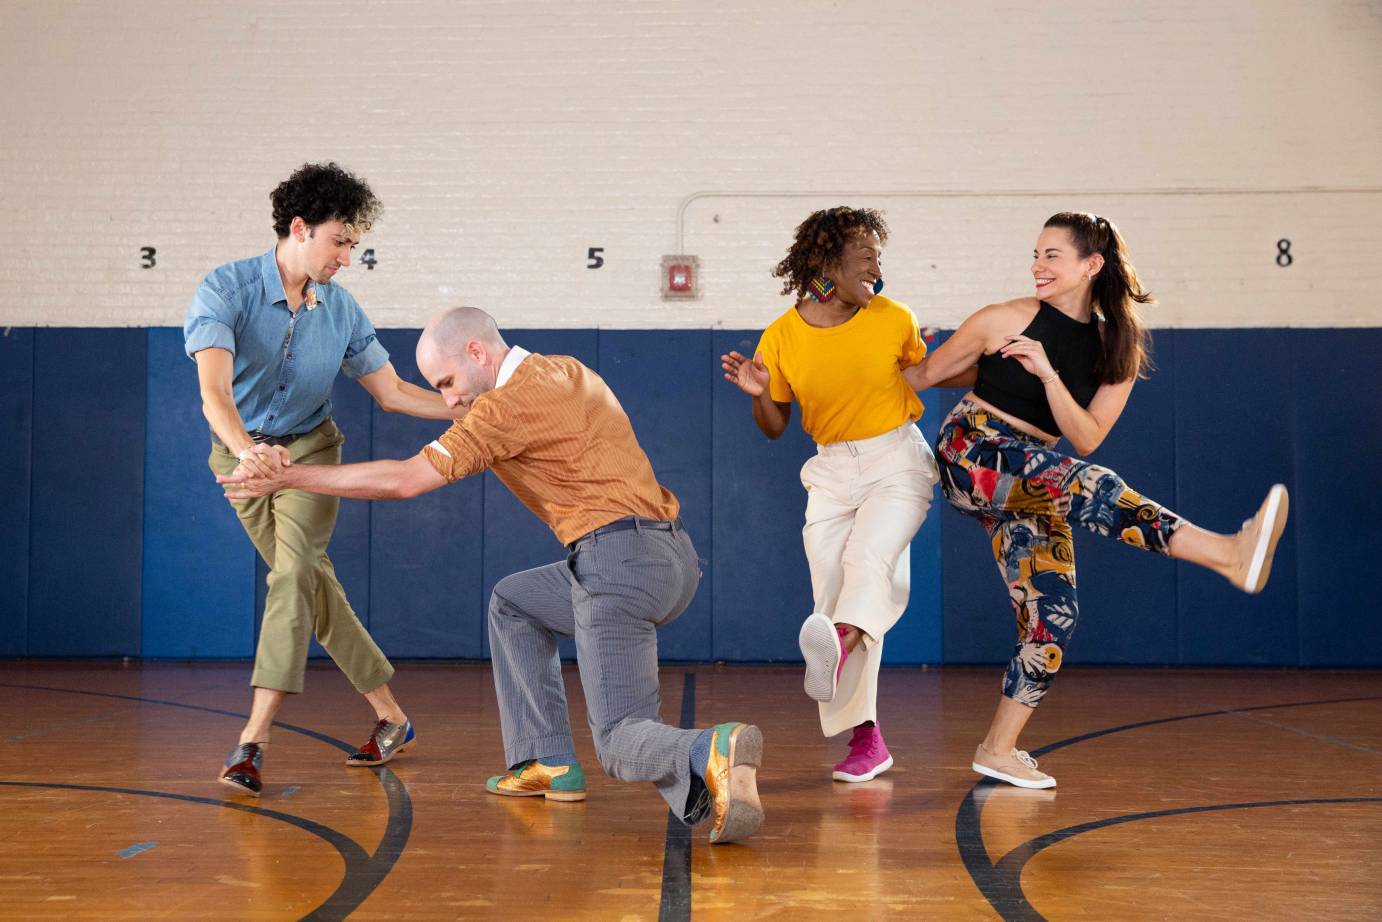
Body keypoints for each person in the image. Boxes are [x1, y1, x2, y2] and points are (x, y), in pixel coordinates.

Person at [219, 306, 765, 844]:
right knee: (515, 601)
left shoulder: (502, 410)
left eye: (449, 381)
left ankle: (708, 749)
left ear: (477, 351)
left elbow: (404, 480)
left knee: (620, 742)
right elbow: (478, 415)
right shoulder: (567, 369)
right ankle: (545, 759)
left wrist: (287, 478)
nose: (450, 399)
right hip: (670, 558)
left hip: (617, 566)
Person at [903, 211, 1289, 789]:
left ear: (1091, 265)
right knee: (1093, 484)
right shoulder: (1001, 319)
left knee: (1053, 615)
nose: (1038, 264)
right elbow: (923, 374)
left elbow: (1084, 436)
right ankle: (1229, 553)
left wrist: (1047, 372)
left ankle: (998, 748)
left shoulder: (1119, 345)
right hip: (972, 453)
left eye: (1052, 255)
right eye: (1036, 253)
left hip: (1033, 478)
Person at [184, 162, 458, 795]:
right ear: (300, 229)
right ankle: (391, 716)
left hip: (309, 454)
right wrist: (249, 452)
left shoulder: (342, 310)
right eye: (341, 242)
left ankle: (251, 743)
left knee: (294, 575)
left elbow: (391, 393)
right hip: (242, 461)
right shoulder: (225, 290)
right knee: (313, 584)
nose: (347, 257)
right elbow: (215, 396)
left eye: (355, 246)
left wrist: (472, 406)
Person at [722, 206, 962, 783]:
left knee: (867, 565)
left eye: (880, 254)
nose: (878, 265)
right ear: (827, 261)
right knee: (833, 593)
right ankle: (867, 740)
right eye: (867, 254)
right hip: (830, 471)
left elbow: (923, 374)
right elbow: (775, 425)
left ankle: (842, 637)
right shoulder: (780, 336)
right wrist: (759, 393)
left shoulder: (892, 317)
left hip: (896, 462)